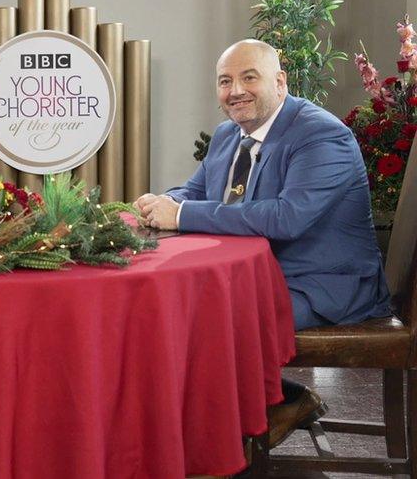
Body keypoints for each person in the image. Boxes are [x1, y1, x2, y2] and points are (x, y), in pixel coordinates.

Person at [134, 39, 392, 449]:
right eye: (225, 81)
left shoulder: (321, 135)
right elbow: (196, 190)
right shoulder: (227, 134)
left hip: (323, 283)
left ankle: (226, 437)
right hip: (260, 276)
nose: (235, 90)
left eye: (248, 77)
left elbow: (287, 218)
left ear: (280, 81)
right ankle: (246, 412)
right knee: (173, 307)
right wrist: (155, 205)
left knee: (206, 318)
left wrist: (181, 216)